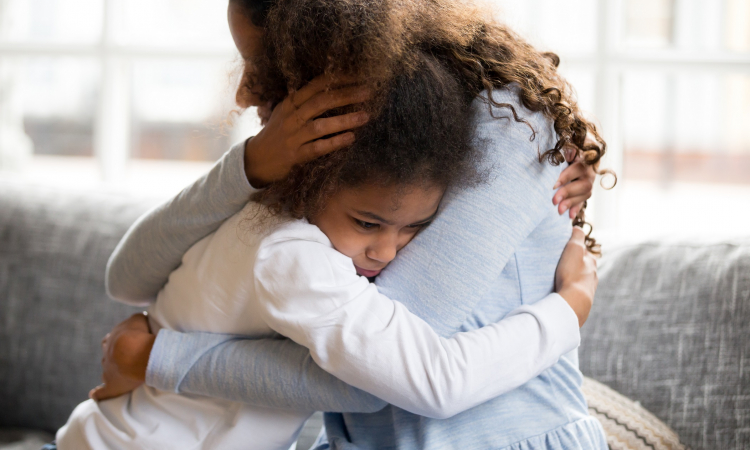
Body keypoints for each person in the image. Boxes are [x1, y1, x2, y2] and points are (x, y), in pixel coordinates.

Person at [88, 0, 610, 449]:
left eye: (260, 63)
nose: (244, 94)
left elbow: (391, 375)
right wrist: (247, 166)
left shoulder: (507, 121)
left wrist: (161, 357)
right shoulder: (336, 156)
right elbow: (126, 279)